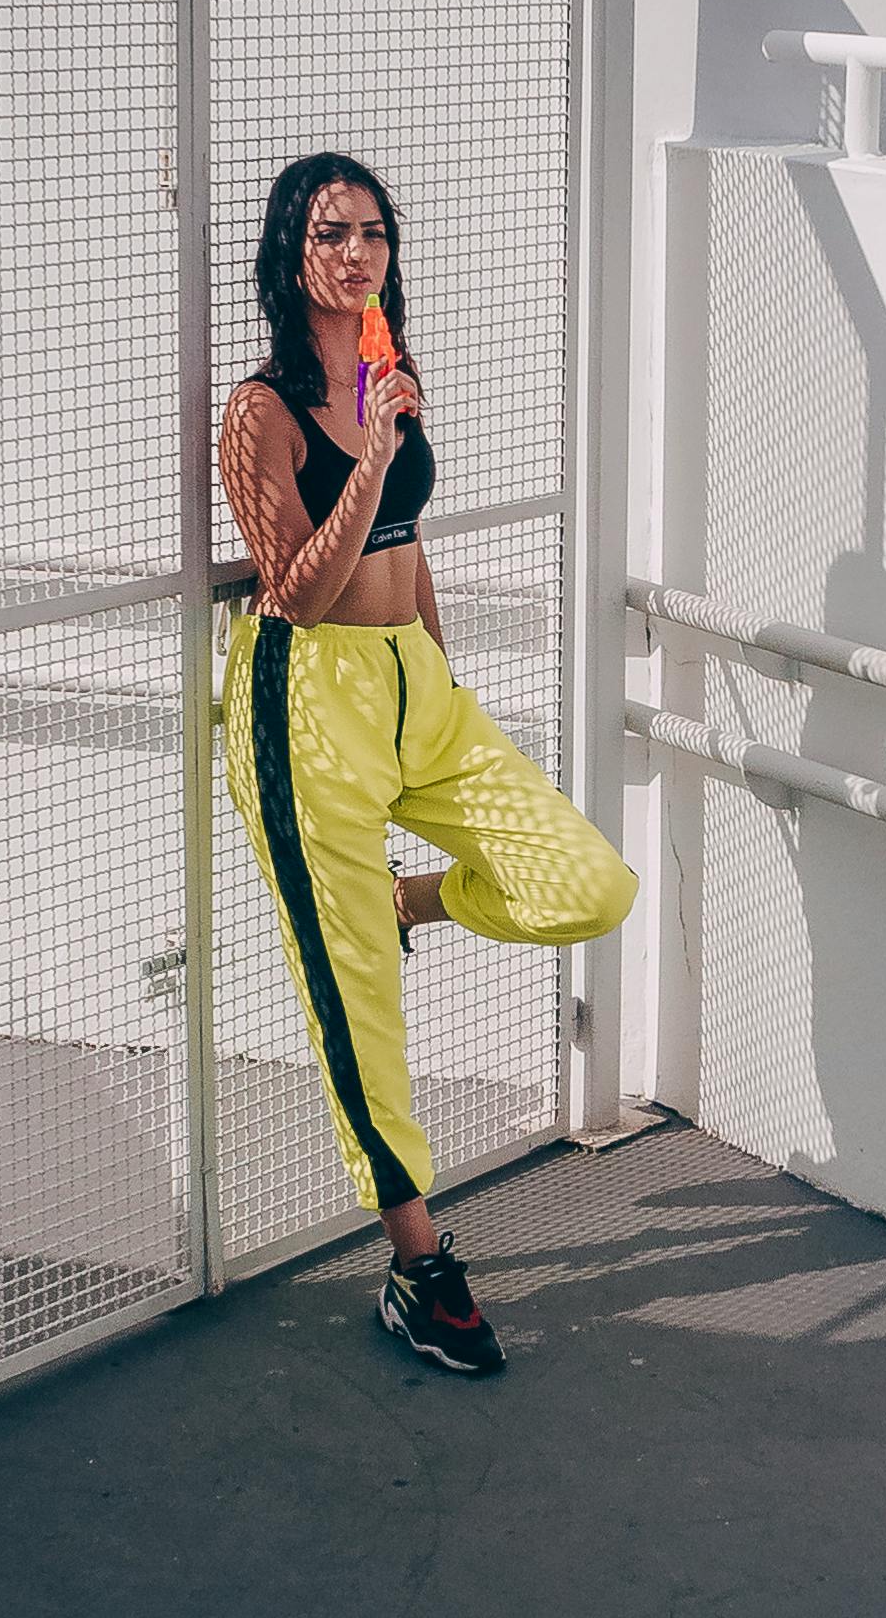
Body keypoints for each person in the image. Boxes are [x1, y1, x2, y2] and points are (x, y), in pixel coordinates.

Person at [218, 151, 636, 1375]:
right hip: (306, 711)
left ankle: (412, 900)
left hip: (412, 684)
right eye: (330, 231)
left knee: (587, 883)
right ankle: (419, 1267)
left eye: (373, 232)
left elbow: (412, 542)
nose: (356, 252)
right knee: (360, 1008)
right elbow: (294, 590)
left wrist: (442, 676)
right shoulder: (260, 411)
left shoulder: (386, 374)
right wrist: (370, 458)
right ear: (288, 252)